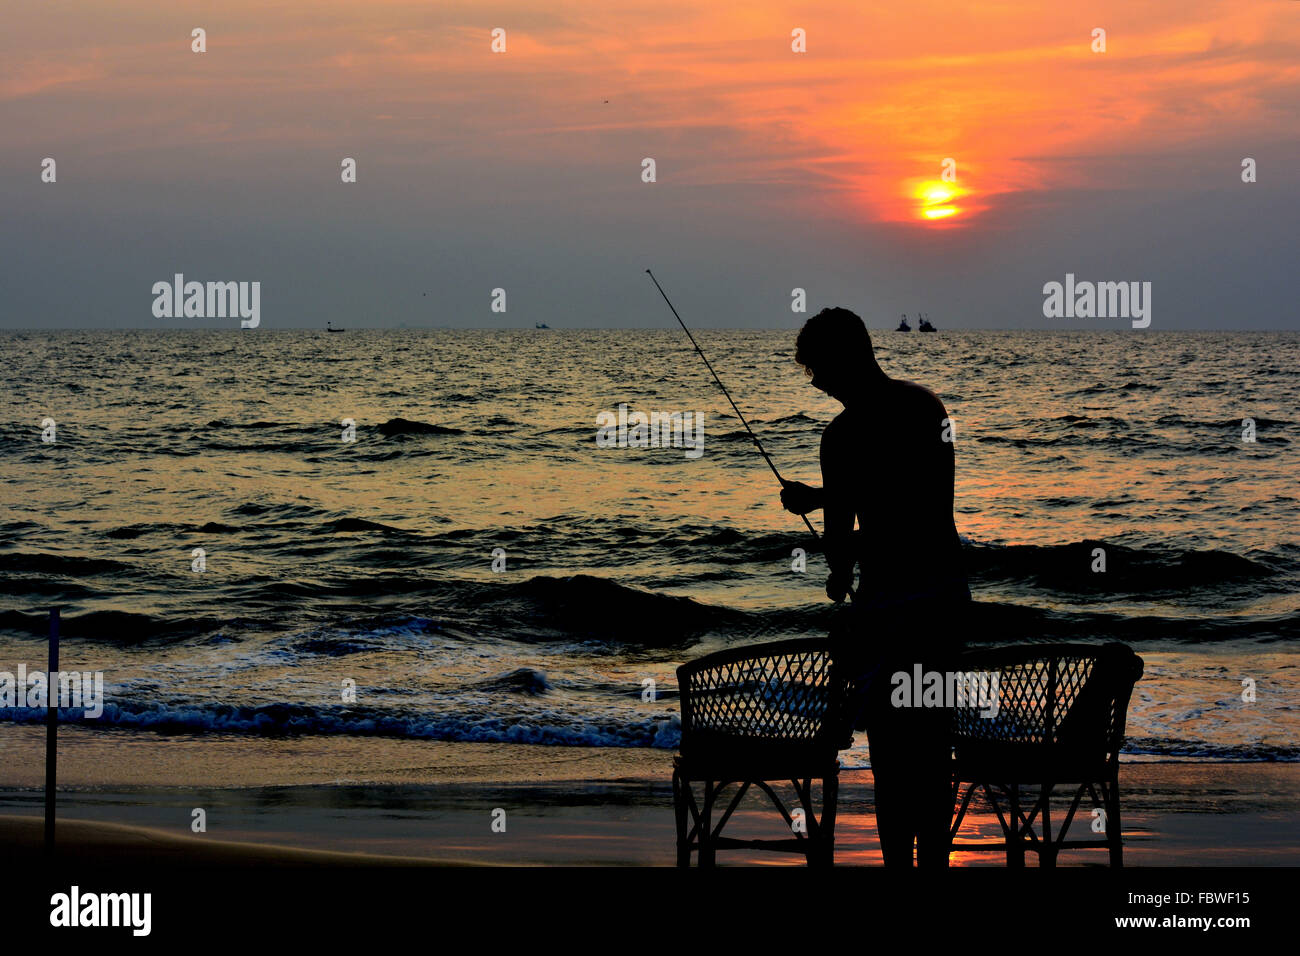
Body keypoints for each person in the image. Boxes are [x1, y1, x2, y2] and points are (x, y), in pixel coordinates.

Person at [779, 306, 970, 868]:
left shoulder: (840, 438)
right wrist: (836, 534)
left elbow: (847, 542)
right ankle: (932, 863)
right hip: (944, 599)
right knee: (933, 748)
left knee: (891, 754)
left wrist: (824, 516)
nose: (816, 381)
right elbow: (933, 511)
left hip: (893, 610)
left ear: (844, 358)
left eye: (817, 367)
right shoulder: (926, 406)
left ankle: (899, 869)